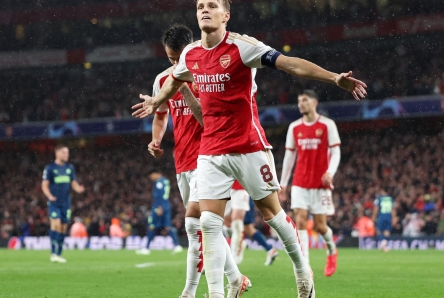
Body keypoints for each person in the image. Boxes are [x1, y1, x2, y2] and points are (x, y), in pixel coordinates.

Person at [132, 1, 367, 296]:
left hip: (247, 146)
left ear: (225, 15)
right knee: (208, 222)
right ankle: (218, 292)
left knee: (272, 214)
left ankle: (301, 269)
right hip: (211, 151)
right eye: (200, 6)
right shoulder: (190, 55)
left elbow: (290, 63)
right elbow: (174, 81)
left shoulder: (243, 47)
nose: (205, 9)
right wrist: (156, 101)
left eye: (212, 5)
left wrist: (333, 77)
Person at [145, 24, 250, 298]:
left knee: (194, 225)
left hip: (212, 157)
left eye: (178, 57)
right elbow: (160, 115)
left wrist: (183, 88)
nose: (175, 63)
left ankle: (189, 292)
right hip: (183, 160)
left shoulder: (208, 74)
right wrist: (156, 140)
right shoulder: (162, 80)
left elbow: (207, 119)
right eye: (170, 59)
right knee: (206, 226)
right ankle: (236, 278)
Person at [279, 90, 341, 277]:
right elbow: (290, 157)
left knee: (320, 227)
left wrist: (330, 172)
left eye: (304, 100)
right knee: (300, 220)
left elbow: (336, 152)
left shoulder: (327, 125)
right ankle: (305, 265)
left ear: (314, 102)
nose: (301, 104)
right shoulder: (294, 127)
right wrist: (283, 183)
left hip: (320, 184)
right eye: (299, 101)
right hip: (300, 182)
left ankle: (331, 250)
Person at [42, 145, 85, 263]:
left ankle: (59, 254)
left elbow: (74, 183)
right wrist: (49, 196)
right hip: (54, 202)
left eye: (67, 153)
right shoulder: (50, 168)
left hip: (66, 203)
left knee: (63, 228)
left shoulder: (70, 167)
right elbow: (44, 185)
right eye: (64, 153)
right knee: (55, 224)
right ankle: (53, 253)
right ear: (57, 153)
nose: (66, 155)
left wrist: (79, 189)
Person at [224, 182, 279, 265]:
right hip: (231, 190)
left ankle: (269, 250)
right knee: (235, 226)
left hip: (242, 192)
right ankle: (269, 250)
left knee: (245, 227)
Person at [137, 169, 183, 255]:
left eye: (151, 176)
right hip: (166, 205)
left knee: (151, 226)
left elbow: (159, 195)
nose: (151, 178)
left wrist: (159, 207)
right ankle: (177, 246)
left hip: (159, 207)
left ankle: (146, 248)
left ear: (155, 173)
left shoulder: (159, 182)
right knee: (167, 226)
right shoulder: (165, 181)